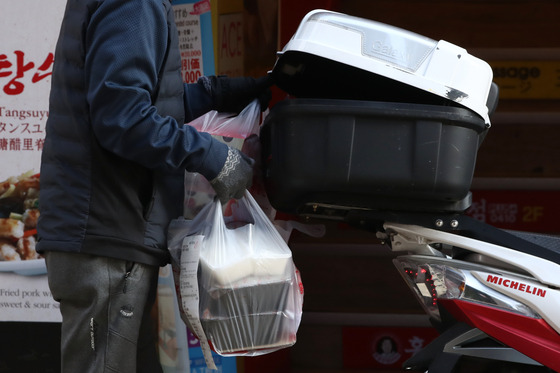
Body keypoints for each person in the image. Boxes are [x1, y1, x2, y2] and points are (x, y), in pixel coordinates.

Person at [36, 0, 272, 372]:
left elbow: (147, 103)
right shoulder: (134, 3)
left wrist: (236, 91)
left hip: (106, 232)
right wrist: (213, 157)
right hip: (105, 234)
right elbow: (123, 117)